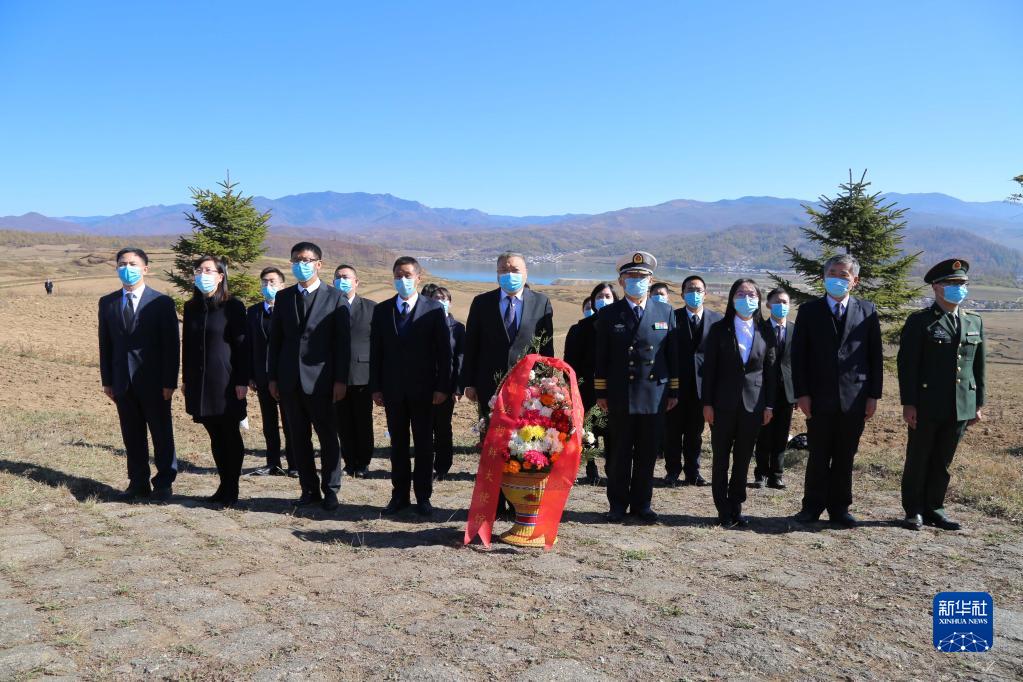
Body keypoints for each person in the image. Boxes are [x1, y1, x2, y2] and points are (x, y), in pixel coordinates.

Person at [791, 254, 883, 528]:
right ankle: (811, 507)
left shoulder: (867, 310)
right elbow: (798, 356)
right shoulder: (809, 311)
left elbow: (875, 356)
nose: (837, 279)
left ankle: (840, 508)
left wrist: (873, 395)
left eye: (844, 275)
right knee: (818, 454)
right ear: (824, 277)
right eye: (832, 274)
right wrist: (802, 393)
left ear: (855, 281)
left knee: (845, 456)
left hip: (855, 398)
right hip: (818, 397)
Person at [898, 259, 985, 531]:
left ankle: (935, 508)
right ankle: (913, 510)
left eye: (962, 283)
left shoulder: (973, 321)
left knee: (943, 461)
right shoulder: (920, 321)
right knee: (919, 458)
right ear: (936, 287)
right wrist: (909, 403)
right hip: (927, 404)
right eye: (952, 283)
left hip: (960, 405)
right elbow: (908, 366)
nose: (959, 288)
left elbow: (979, 367)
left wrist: (978, 403)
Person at [594, 252, 679, 523]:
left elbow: (672, 355)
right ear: (621, 281)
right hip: (621, 394)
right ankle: (617, 505)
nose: (637, 281)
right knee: (619, 453)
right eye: (631, 276)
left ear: (651, 280)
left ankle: (643, 504)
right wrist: (601, 391)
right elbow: (602, 357)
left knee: (647, 453)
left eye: (642, 277)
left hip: (654, 395)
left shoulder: (665, 311)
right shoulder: (609, 314)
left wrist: (673, 390)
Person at [268, 241, 351, 511]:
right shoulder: (284, 297)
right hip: (290, 380)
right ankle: (309, 489)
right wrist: (273, 377)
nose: (300, 265)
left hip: (322, 381)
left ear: (319, 264)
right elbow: (276, 341)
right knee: (298, 437)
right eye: (296, 260)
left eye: (306, 260)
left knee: (327, 437)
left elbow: (343, 344)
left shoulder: (335, 297)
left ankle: (331, 489)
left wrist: (341, 380)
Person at [370, 257, 451, 516]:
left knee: (424, 444)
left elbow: (444, 353)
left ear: (418, 277)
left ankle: (423, 497)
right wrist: (376, 387)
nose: (402, 280)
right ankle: (399, 496)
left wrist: (443, 386)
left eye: (407, 275)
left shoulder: (433, 310)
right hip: (393, 390)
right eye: (398, 275)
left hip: (425, 391)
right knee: (398, 445)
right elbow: (376, 352)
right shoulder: (382, 310)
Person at [98, 247, 180, 501]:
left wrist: (169, 381)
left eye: (133, 264)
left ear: (145, 269)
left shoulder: (161, 302)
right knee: (132, 435)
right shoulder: (108, 302)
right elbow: (105, 344)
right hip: (122, 381)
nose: (127, 269)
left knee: (161, 433)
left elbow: (171, 345)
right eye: (122, 264)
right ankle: (138, 482)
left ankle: (164, 483)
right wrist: (107, 381)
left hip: (154, 381)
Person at [702, 279, 776, 526]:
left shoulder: (765, 331)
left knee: (743, 459)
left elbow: (770, 371)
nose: (747, 299)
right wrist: (707, 404)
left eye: (752, 294)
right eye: (741, 294)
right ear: (732, 298)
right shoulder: (718, 330)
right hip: (722, 405)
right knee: (721, 459)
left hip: (753, 405)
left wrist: (769, 405)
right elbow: (709, 371)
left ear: (759, 299)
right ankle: (722, 508)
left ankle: (736, 505)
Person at [182, 256, 250, 506]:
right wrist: (186, 379)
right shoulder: (191, 307)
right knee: (214, 435)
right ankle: (223, 484)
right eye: (199, 270)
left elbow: (243, 347)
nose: (203, 274)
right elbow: (187, 346)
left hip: (226, 381)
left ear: (221, 276)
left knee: (229, 433)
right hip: (200, 382)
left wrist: (242, 380)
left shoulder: (233, 306)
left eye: (209, 270)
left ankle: (232, 487)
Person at [461, 251, 555, 417]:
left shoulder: (541, 302)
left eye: (515, 270)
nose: (509, 274)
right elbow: (471, 345)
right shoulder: (481, 303)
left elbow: (546, 347)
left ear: (526, 273)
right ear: (497, 274)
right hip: (489, 384)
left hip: (528, 385)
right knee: (490, 430)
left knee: (526, 431)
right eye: (504, 270)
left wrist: (545, 382)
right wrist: (469, 382)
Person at [664, 274, 723, 486]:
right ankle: (672, 471)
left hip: (702, 387)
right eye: (690, 290)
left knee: (695, 433)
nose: (694, 294)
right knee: (672, 432)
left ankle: (693, 472)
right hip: (676, 386)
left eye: (698, 290)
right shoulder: (672, 317)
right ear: (682, 294)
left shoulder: (717, 320)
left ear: (705, 294)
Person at [564, 283, 618, 484]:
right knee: (589, 431)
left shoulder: (621, 325)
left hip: (615, 391)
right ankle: (591, 468)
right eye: (599, 296)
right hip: (586, 390)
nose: (603, 300)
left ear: (615, 299)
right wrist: (575, 387)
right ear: (593, 301)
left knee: (614, 432)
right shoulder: (580, 329)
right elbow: (570, 363)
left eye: (608, 296)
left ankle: (613, 469)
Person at [246, 267, 295, 477]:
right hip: (261, 376)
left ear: (282, 285)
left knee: (290, 421)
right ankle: (272, 463)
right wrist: (250, 375)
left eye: (273, 282)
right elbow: (248, 345)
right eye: (264, 282)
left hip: (286, 376)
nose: (268, 285)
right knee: (269, 423)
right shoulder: (253, 311)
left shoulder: (290, 309)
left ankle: (295, 463)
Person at [332, 264, 377, 478]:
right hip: (335, 375)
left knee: (362, 420)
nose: (342, 280)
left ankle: (363, 462)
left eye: (346, 277)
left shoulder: (371, 308)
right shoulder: (327, 308)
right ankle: (349, 461)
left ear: (356, 282)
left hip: (362, 374)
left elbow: (378, 343)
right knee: (342, 421)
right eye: (338, 277)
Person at [753, 287, 796, 489]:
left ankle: (777, 475)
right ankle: (761, 473)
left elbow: (799, 363)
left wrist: (799, 392)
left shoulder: (795, 330)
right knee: (763, 433)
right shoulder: (759, 329)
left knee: (781, 434)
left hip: (787, 391)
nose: (781, 305)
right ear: (768, 305)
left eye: (785, 302)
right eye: (777, 302)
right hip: (762, 390)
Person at [429, 286, 464, 481]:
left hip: (447, 385)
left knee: (442, 427)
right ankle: (425, 465)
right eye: (436, 297)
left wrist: (458, 388)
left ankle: (442, 467)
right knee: (424, 427)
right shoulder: (422, 324)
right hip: (424, 384)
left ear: (450, 302)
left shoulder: (457, 328)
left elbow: (460, 359)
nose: (440, 301)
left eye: (444, 298)